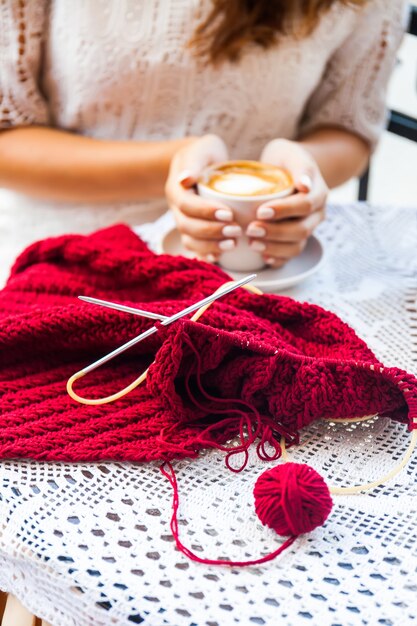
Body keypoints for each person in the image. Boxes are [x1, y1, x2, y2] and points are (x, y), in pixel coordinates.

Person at [0, 0, 407, 285]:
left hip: (258, 271)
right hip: (61, 257)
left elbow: (348, 127)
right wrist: (175, 165)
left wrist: (299, 170)